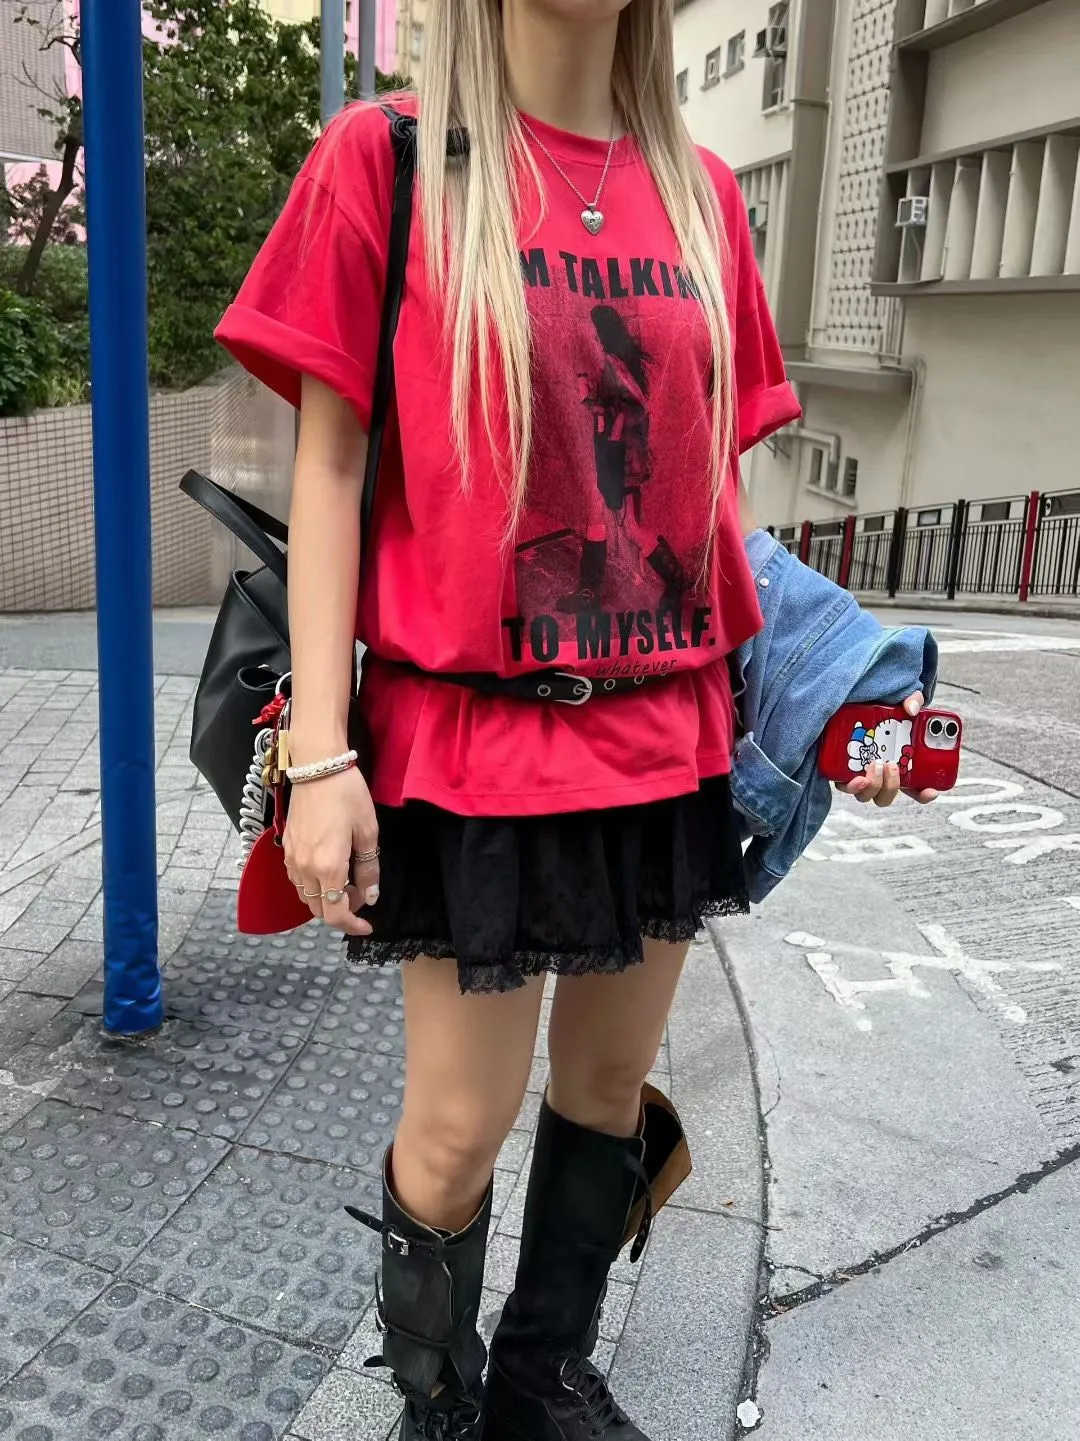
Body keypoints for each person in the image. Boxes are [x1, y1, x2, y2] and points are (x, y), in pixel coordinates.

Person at [215, 4, 925, 1437]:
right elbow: (329, 470)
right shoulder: (389, 160)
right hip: (467, 742)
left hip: (666, 737)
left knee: (605, 1087)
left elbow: (711, 508)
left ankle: (543, 1381)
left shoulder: (700, 194)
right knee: (457, 1129)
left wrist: (830, 690)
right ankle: (438, 1403)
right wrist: (322, 753)